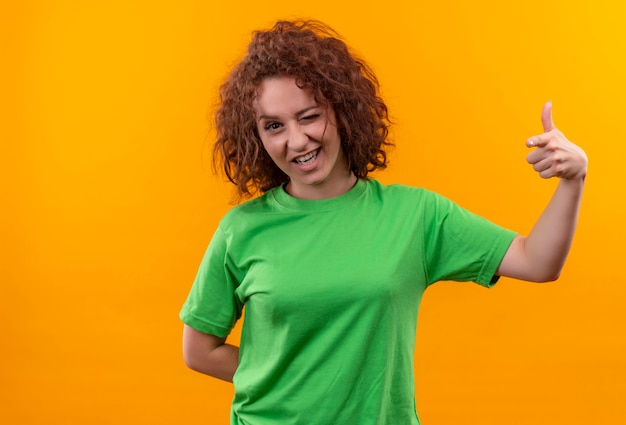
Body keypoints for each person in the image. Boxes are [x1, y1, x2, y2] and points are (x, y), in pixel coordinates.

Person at [179, 20, 587, 425]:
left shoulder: (415, 216)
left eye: (308, 117)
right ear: (256, 136)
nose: (296, 141)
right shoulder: (241, 229)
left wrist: (573, 180)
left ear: (342, 109)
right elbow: (199, 351)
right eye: (274, 126)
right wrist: (289, 381)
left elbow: (537, 262)